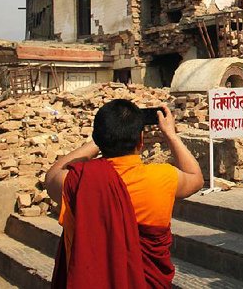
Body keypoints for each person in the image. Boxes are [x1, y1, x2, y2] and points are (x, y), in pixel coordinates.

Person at [45, 99, 204, 287]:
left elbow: (51, 177)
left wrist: (100, 140)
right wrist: (170, 134)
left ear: (98, 137)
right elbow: (196, 178)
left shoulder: (80, 181)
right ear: (141, 140)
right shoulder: (162, 177)